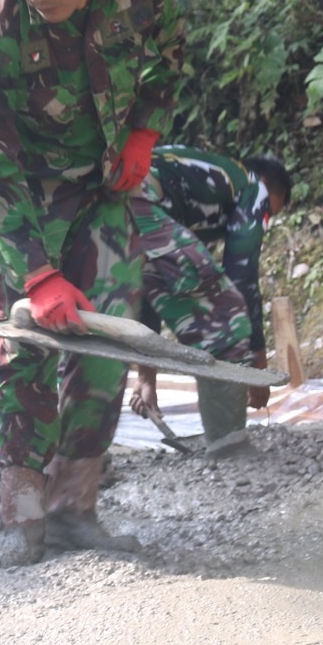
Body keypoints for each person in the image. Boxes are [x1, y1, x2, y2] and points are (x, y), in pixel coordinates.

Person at [0, 0, 185, 566]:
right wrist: (37, 274)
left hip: (97, 192)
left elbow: (169, 57)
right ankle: (22, 523)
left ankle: (75, 510)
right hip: (19, 201)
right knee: (23, 341)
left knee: (107, 339)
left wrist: (144, 132)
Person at [128, 148, 292, 454]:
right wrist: (257, 370)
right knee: (225, 320)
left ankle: (78, 460)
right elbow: (242, 277)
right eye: (269, 214)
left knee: (97, 317)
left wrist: (146, 377)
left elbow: (153, 286)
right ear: (269, 187)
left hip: (99, 200)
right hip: (135, 196)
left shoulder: (190, 186)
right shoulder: (253, 187)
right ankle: (229, 450)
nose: (263, 222)